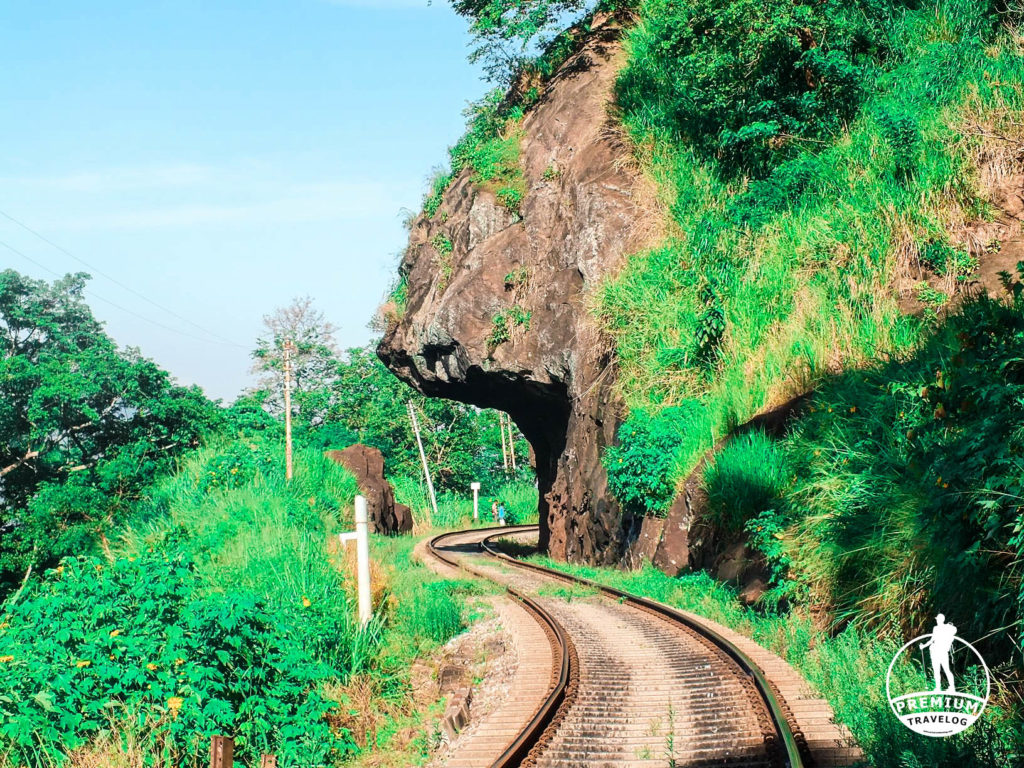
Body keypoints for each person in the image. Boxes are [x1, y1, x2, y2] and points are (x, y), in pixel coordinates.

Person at [920, 614, 958, 693]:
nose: (936, 621)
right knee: (938, 670)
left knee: (945, 670)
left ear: (941, 620)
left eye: (937, 619)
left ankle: (950, 687)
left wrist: (924, 646)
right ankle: (939, 688)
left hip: (940, 652)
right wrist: (924, 646)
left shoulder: (942, 628)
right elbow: (932, 640)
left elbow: (931, 640)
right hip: (937, 652)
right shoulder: (939, 628)